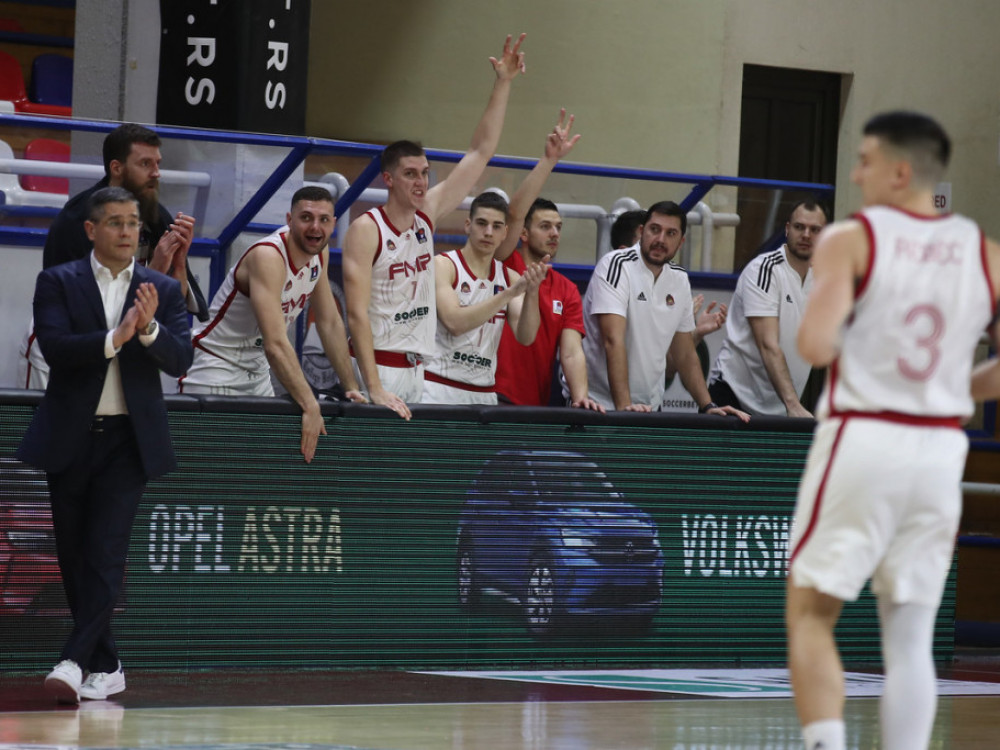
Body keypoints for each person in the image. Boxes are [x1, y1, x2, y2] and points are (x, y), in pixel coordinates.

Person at [786, 111, 1000, 750]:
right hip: (940, 450)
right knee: (910, 638)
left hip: (865, 436)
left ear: (901, 171)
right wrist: (959, 388)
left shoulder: (852, 238)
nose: (855, 173)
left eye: (865, 160)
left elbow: (816, 345)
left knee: (810, 614)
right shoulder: (985, 252)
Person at [15, 187, 194, 703]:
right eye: (114, 222)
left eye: (133, 223)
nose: (126, 232)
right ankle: (107, 663)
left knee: (105, 552)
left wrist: (149, 329)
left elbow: (181, 359)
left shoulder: (162, 287)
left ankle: (73, 660)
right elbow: (56, 347)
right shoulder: (58, 281)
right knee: (73, 555)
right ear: (92, 230)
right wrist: (116, 337)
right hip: (70, 437)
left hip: (128, 441)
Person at [342, 33, 526, 420]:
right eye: (410, 174)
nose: (420, 182)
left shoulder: (427, 215)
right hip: (379, 365)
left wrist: (503, 83)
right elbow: (356, 313)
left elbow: (480, 152)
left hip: (417, 369)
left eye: (424, 173)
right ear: (388, 179)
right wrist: (373, 386)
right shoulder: (367, 228)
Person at [179, 186, 364, 463]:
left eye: (324, 219)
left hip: (257, 372)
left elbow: (329, 322)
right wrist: (311, 404)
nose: (315, 227)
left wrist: (351, 387)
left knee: (258, 471)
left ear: (333, 224)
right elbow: (276, 344)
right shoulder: (268, 256)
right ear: (289, 220)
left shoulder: (319, 255)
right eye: (306, 218)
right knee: (207, 470)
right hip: (216, 367)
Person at [18, 123, 209, 389]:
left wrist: (178, 267)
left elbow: (173, 306)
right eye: (145, 164)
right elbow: (79, 309)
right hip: (66, 347)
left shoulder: (158, 216)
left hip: (121, 346)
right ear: (117, 168)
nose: (156, 173)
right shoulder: (77, 220)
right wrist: (154, 269)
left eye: (157, 163)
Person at [573, 200, 749, 419]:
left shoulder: (679, 279)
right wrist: (624, 410)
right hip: (598, 406)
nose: (660, 240)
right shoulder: (615, 265)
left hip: (648, 408)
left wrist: (707, 405)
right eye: (654, 230)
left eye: (671, 233)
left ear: (681, 242)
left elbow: (684, 353)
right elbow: (612, 341)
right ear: (642, 231)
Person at [491, 111, 603, 411]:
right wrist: (549, 160)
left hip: (535, 407)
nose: (554, 233)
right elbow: (514, 212)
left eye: (558, 227)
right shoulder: (502, 264)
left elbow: (571, 352)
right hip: (491, 398)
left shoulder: (566, 290)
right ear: (523, 233)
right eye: (545, 226)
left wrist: (580, 394)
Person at [421, 191, 548, 405]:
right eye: (482, 223)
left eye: (496, 226)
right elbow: (455, 322)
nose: (488, 232)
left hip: (483, 392)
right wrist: (507, 294)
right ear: (468, 225)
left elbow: (526, 336)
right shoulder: (444, 265)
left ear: (505, 232)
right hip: (437, 386)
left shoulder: (509, 277)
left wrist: (532, 293)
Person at [708, 200, 828, 417]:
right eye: (799, 227)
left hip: (779, 408)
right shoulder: (764, 270)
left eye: (815, 230)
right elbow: (767, 344)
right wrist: (793, 405)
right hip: (733, 398)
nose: (806, 235)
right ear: (787, 229)